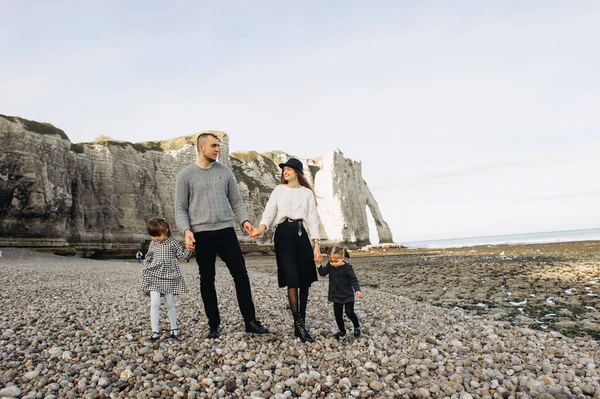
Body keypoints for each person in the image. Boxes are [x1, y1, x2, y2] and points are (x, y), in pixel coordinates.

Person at [175, 132, 268, 339]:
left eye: (218, 146)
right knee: (207, 280)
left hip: (226, 232)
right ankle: (214, 325)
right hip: (201, 234)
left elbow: (236, 201)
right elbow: (180, 209)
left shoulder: (225, 172)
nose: (217, 149)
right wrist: (186, 231)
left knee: (241, 275)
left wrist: (244, 221)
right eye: (214, 146)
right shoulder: (185, 175)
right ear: (201, 148)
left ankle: (250, 321)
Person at [251, 157, 322, 342]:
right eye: (284, 170)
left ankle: (302, 324)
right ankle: (298, 323)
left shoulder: (307, 193)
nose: (285, 172)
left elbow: (313, 219)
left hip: (302, 234)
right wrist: (261, 228)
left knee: (305, 279)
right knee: (292, 279)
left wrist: (316, 245)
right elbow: (269, 211)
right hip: (284, 234)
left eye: (289, 169)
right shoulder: (279, 190)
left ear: (297, 172)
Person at [139, 217, 192, 341]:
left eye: (157, 235)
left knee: (170, 304)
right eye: (153, 236)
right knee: (155, 303)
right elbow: (148, 258)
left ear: (166, 230)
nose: (155, 238)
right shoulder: (153, 244)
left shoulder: (172, 242)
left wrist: (189, 250)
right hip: (154, 276)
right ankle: (155, 331)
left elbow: (181, 255)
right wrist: (144, 268)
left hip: (169, 276)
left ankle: (174, 328)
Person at [318, 245, 363, 339]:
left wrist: (357, 290)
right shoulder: (330, 266)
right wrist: (319, 265)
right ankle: (342, 331)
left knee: (349, 312)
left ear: (342, 258)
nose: (333, 263)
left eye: (336, 261)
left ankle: (357, 327)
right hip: (335, 295)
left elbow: (354, 280)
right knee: (338, 314)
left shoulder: (347, 268)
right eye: (331, 261)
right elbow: (322, 273)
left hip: (347, 295)